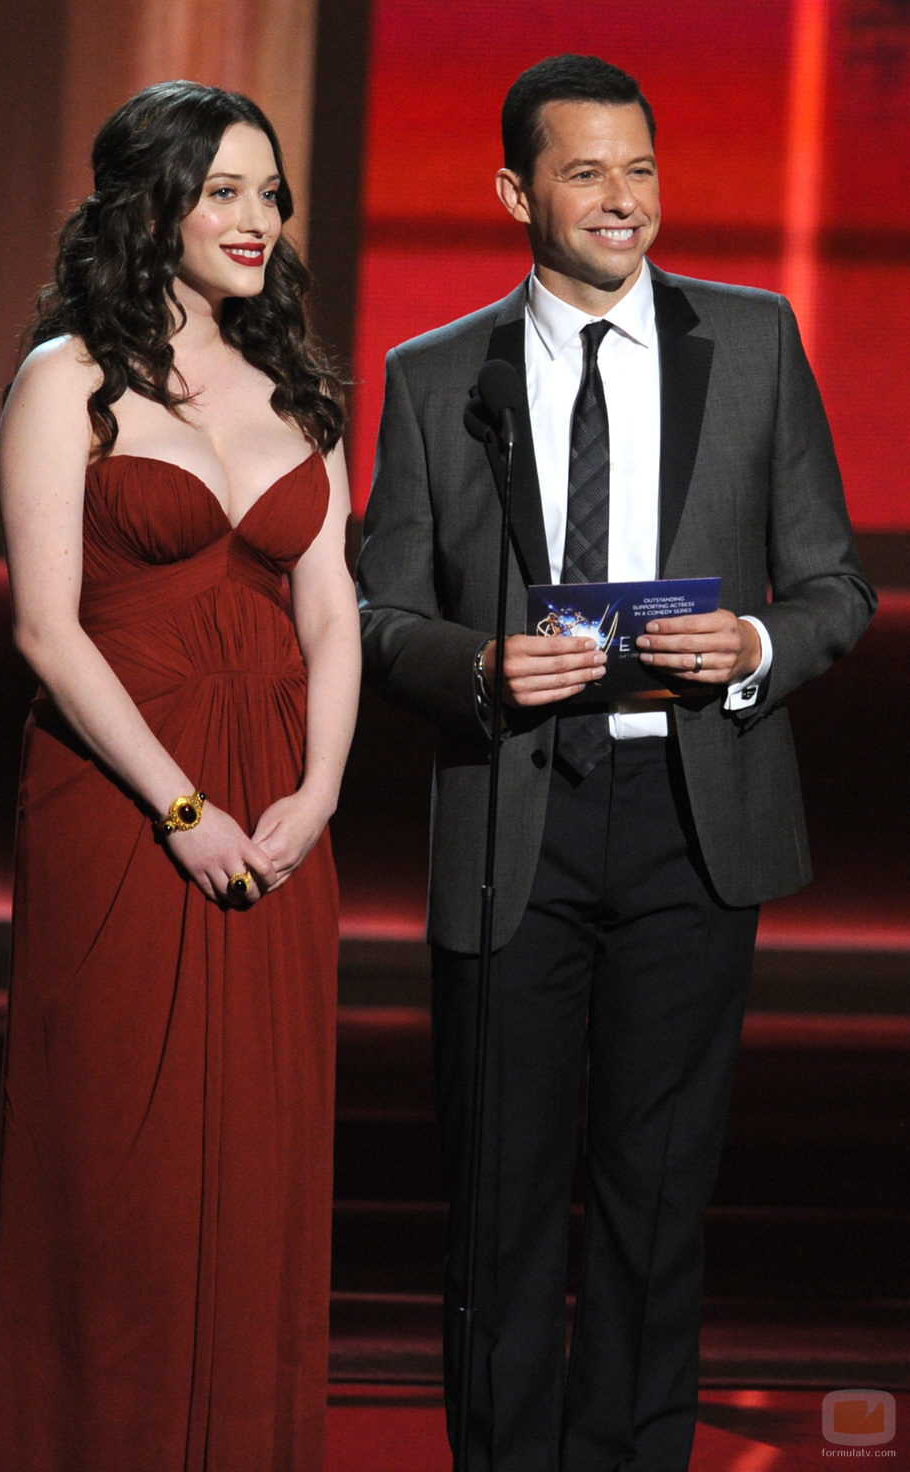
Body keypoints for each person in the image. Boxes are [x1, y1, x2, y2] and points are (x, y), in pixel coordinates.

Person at [357, 53, 875, 1472]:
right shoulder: (433, 376)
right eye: (586, 172)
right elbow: (375, 610)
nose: (622, 200)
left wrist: (756, 644)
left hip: (691, 812)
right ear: (516, 190)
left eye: (640, 168)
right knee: (502, 1204)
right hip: (513, 811)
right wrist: (477, 667)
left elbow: (837, 587)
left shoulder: (757, 343)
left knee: (656, 1202)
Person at [0, 81, 360, 1472]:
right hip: (126, 803)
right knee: (118, 1161)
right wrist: (179, 808)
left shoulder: (299, 384)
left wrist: (316, 792)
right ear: (153, 205)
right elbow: (45, 629)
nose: (258, 220)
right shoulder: (67, 378)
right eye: (226, 192)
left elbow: (330, 610)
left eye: (271, 195)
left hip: (280, 805)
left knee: (257, 1164)